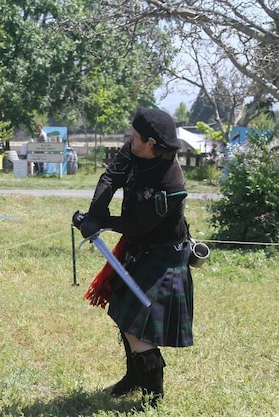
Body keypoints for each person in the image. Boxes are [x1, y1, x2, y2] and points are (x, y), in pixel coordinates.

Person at [72, 107, 193, 408]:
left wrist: (103, 222)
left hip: (165, 253)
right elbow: (111, 177)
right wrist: (96, 213)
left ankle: (154, 396)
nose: (130, 139)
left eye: (135, 136)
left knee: (134, 324)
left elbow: (139, 225)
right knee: (123, 314)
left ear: (151, 143)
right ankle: (134, 378)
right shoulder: (136, 149)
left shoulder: (170, 183)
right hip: (139, 247)